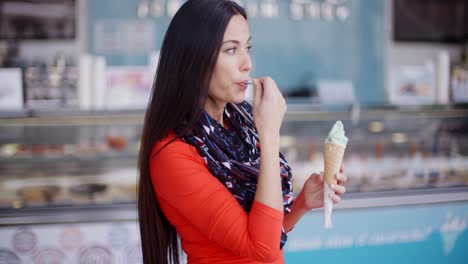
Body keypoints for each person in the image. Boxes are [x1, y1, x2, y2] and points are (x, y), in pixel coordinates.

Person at [138, 0, 347, 263]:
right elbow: (262, 249)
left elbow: (268, 233)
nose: (246, 63)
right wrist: (269, 135)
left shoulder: (241, 123)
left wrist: (302, 203)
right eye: (231, 50)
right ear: (194, 58)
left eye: (246, 48)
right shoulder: (172, 154)